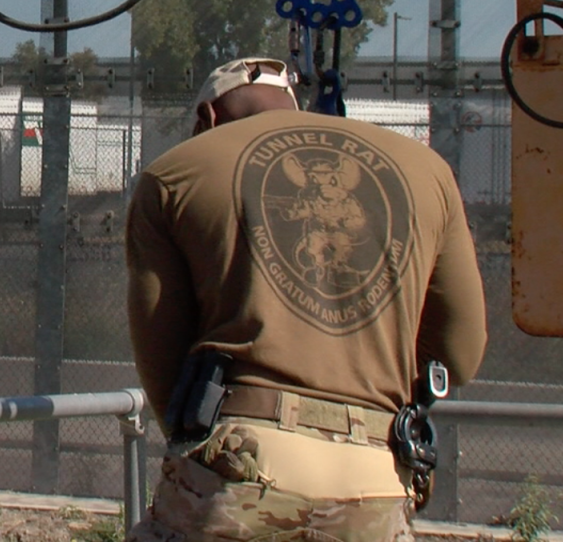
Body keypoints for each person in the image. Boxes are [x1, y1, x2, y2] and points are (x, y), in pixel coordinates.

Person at [124, 57, 487, 542]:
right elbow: (459, 356)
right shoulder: (429, 173)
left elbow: (162, 364)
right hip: (377, 474)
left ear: (207, 119)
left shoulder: (176, 174)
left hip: (239, 465)